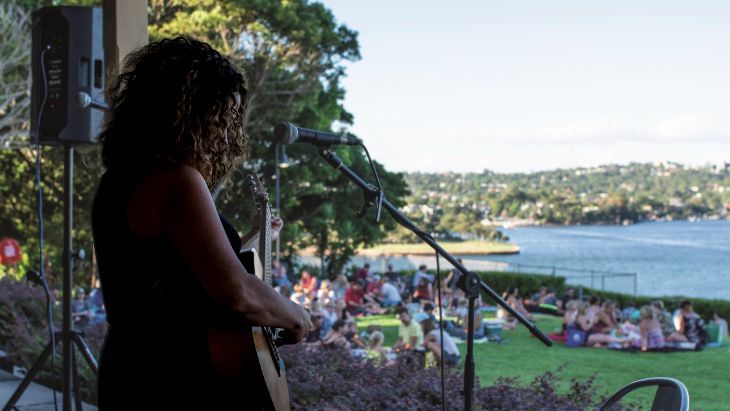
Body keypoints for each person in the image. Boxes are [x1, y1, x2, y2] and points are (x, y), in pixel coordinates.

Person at [91, 37, 312, 409]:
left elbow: (185, 278)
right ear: (188, 111)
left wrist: (258, 239)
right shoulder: (178, 180)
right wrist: (296, 315)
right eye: (222, 117)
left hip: (130, 368)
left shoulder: (120, 179)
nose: (225, 134)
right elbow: (236, 293)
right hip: (173, 378)